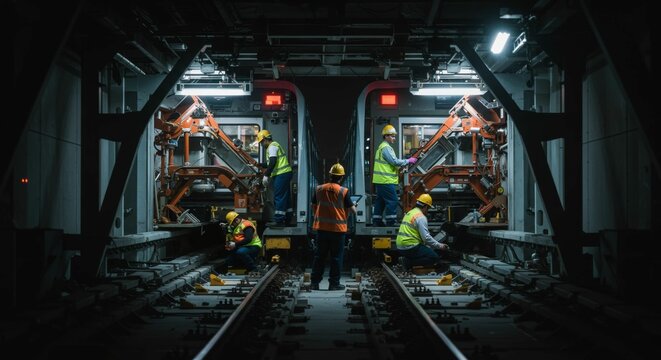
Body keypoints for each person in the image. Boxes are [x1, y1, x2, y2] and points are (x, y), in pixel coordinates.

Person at [310, 163, 357, 291]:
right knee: (336, 258)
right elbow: (353, 211)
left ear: (330, 175)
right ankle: (334, 284)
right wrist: (355, 206)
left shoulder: (319, 189)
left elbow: (313, 205)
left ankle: (314, 283)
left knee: (319, 256)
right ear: (341, 177)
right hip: (338, 231)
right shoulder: (343, 191)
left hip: (322, 229)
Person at [372, 124, 417, 226]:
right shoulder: (386, 148)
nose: (394, 138)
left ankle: (377, 221)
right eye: (392, 136)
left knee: (381, 201)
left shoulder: (382, 147)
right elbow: (394, 161)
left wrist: (400, 167)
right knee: (393, 201)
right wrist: (408, 161)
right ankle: (391, 222)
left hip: (380, 180)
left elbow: (389, 164)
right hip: (385, 180)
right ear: (386, 136)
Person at [396, 194, 449, 270]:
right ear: (425, 206)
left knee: (426, 250)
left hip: (401, 246)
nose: (428, 211)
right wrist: (440, 246)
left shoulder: (410, 212)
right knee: (434, 257)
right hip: (410, 246)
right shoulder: (420, 217)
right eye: (428, 208)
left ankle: (407, 261)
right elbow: (426, 238)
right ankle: (407, 262)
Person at [257, 129, 293, 226]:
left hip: (281, 174)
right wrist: (259, 164)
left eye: (261, 142)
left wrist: (266, 175)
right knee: (285, 197)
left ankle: (279, 221)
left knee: (279, 197)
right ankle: (288, 219)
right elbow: (270, 163)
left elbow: (273, 162)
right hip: (285, 173)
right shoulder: (275, 145)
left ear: (265, 139)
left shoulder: (272, 146)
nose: (261, 145)